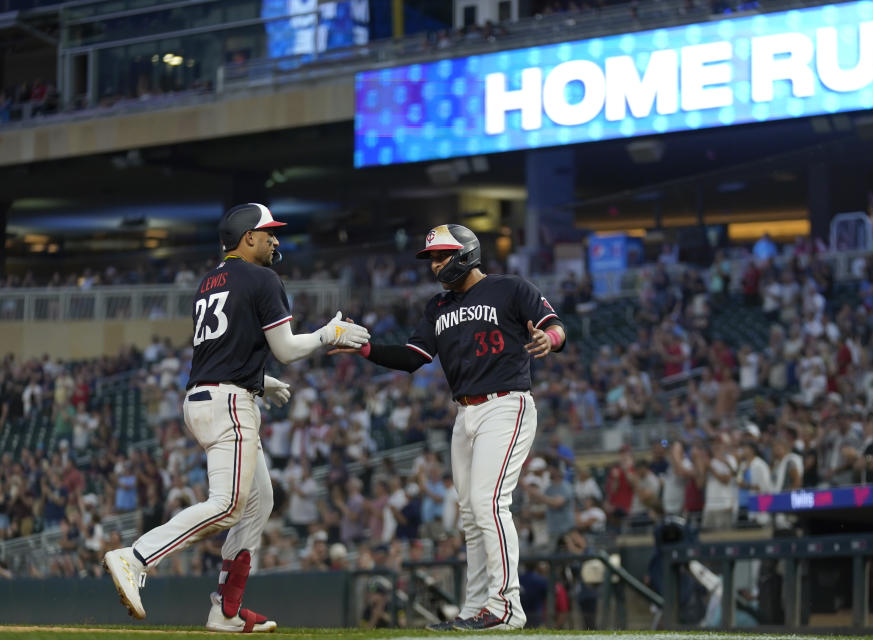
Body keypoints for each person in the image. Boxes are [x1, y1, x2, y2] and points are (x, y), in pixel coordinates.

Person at [103, 203, 370, 632]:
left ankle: (226, 610)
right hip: (228, 403)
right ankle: (135, 558)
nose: (275, 240)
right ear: (248, 237)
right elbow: (284, 349)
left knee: (259, 502)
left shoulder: (209, 282)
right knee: (227, 505)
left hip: (206, 396)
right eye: (268, 233)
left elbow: (224, 350)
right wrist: (326, 335)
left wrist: (260, 381)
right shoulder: (263, 277)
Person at [332, 224, 566, 631]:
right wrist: (365, 347)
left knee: (489, 502)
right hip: (465, 414)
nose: (436, 264)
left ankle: (507, 606)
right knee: (471, 513)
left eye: (442, 255)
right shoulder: (437, 307)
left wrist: (550, 338)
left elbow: (555, 323)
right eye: (432, 258)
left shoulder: (510, 287)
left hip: (505, 404)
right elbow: (411, 357)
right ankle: (476, 607)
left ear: (466, 253)